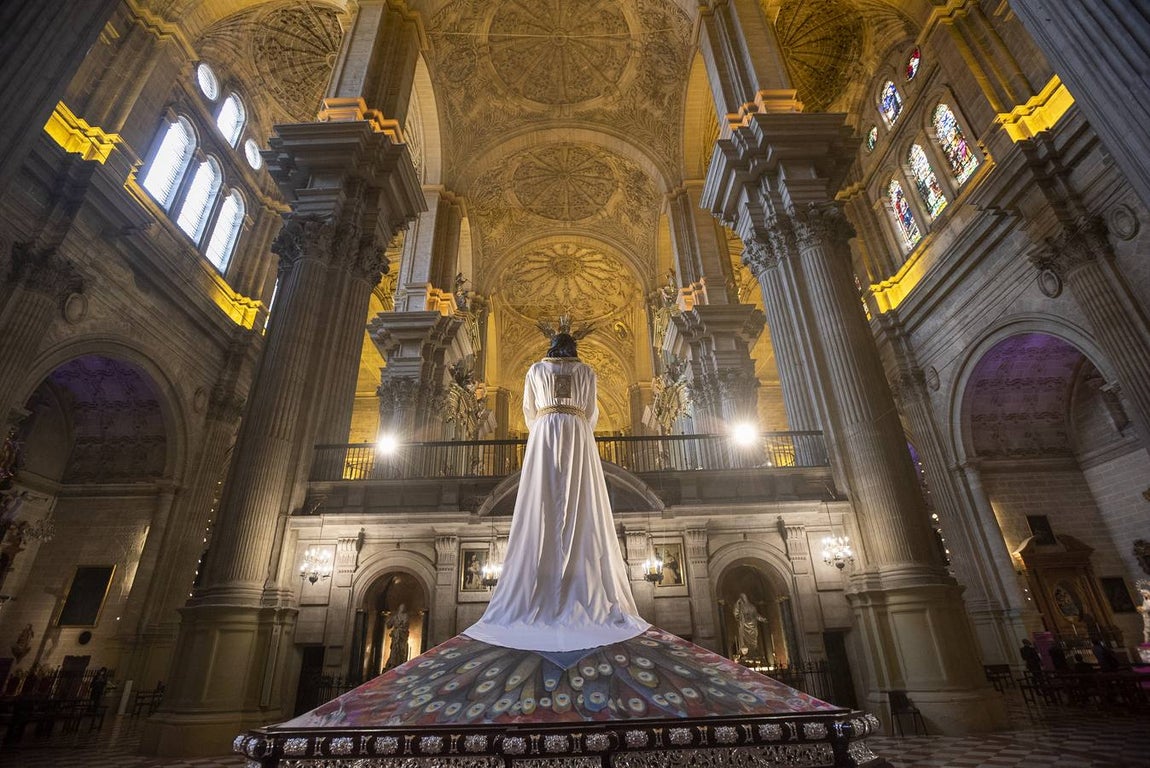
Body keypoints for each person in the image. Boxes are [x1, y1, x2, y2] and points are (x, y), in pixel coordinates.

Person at [464, 322, 649, 651]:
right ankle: (584, 590)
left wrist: (546, 424)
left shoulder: (536, 369)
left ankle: (542, 590)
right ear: (572, 349)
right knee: (581, 503)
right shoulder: (587, 372)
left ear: (551, 348)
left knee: (544, 502)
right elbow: (591, 413)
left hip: (545, 432)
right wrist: (574, 421)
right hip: (577, 432)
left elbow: (528, 413)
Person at [733, 593, 767, 660]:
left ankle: (754, 652)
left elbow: (756, 615)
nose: (743, 599)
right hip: (744, 626)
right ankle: (745, 654)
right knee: (744, 641)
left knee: (754, 640)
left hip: (752, 625)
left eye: (744, 597)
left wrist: (762, 619)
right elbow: (735, 613)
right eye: (742, 598)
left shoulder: (752, 606)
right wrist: (737, 604)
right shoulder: (740, 607)